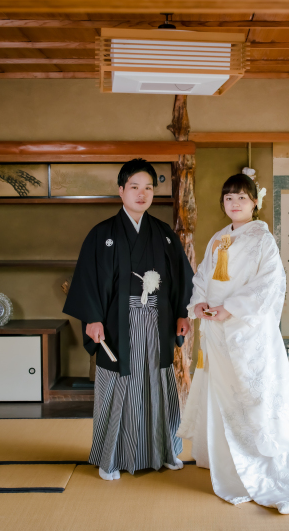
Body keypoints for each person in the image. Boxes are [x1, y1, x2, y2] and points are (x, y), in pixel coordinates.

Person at [177, 173, 289, 514]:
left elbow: (268, 285)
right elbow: (202, 277)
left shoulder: (262, 240)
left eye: (241, 197)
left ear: (255, 202)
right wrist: (198, 303)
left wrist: (231, 308)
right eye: (228, 198)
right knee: (221, 394)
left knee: (252, 396)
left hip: (246, 334)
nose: (234, 203)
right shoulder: (217, 240)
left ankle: (256, 466)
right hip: (216, 331)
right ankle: (224, 461)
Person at [63, 158, 194, 480]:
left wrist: (181, 314)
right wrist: (93, 318)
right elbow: (88, 280)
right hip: (117, 327)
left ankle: (164, 451)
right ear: (121, 191)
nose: (142, 194)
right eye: (134, 187)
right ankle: (111, 459)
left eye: (148, 188)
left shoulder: (163, 234)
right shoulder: (102, 234)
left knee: (159, 388)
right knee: (119, 387)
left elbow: (182, 279)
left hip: (157, 325)